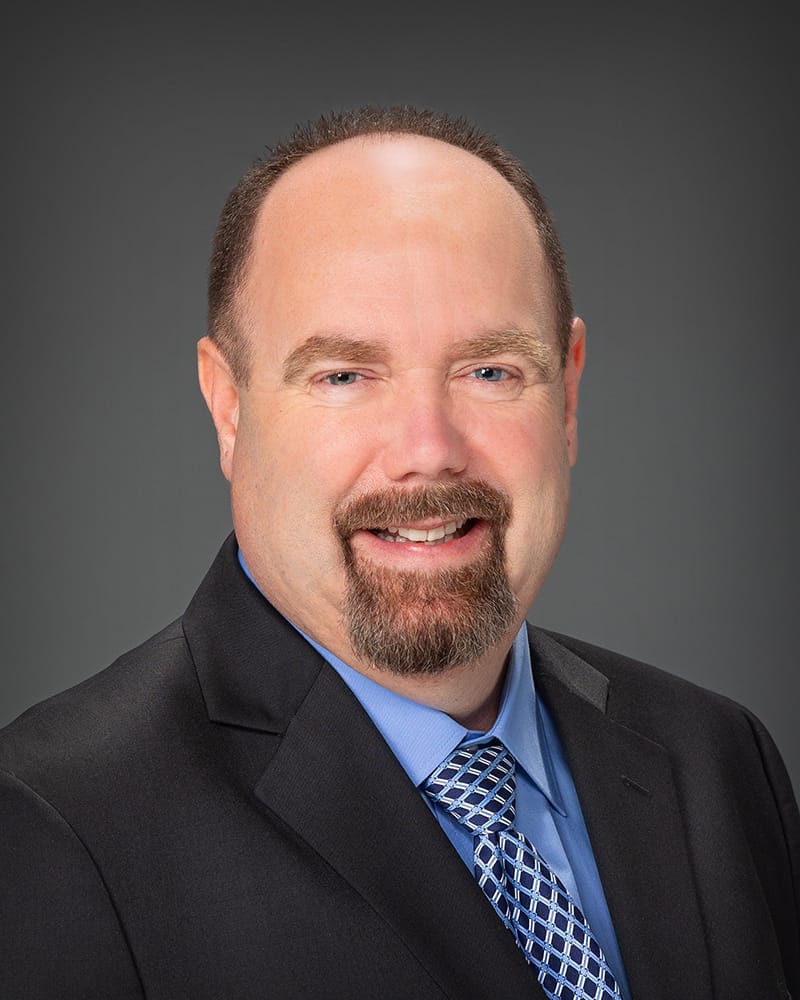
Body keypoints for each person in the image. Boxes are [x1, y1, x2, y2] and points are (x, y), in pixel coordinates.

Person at [1, 106, 797, 1000]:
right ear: (228, 406)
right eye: (344, 375)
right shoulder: (55, 829)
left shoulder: (720, 762)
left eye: (490, 370)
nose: (428, 446)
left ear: (567, 396)